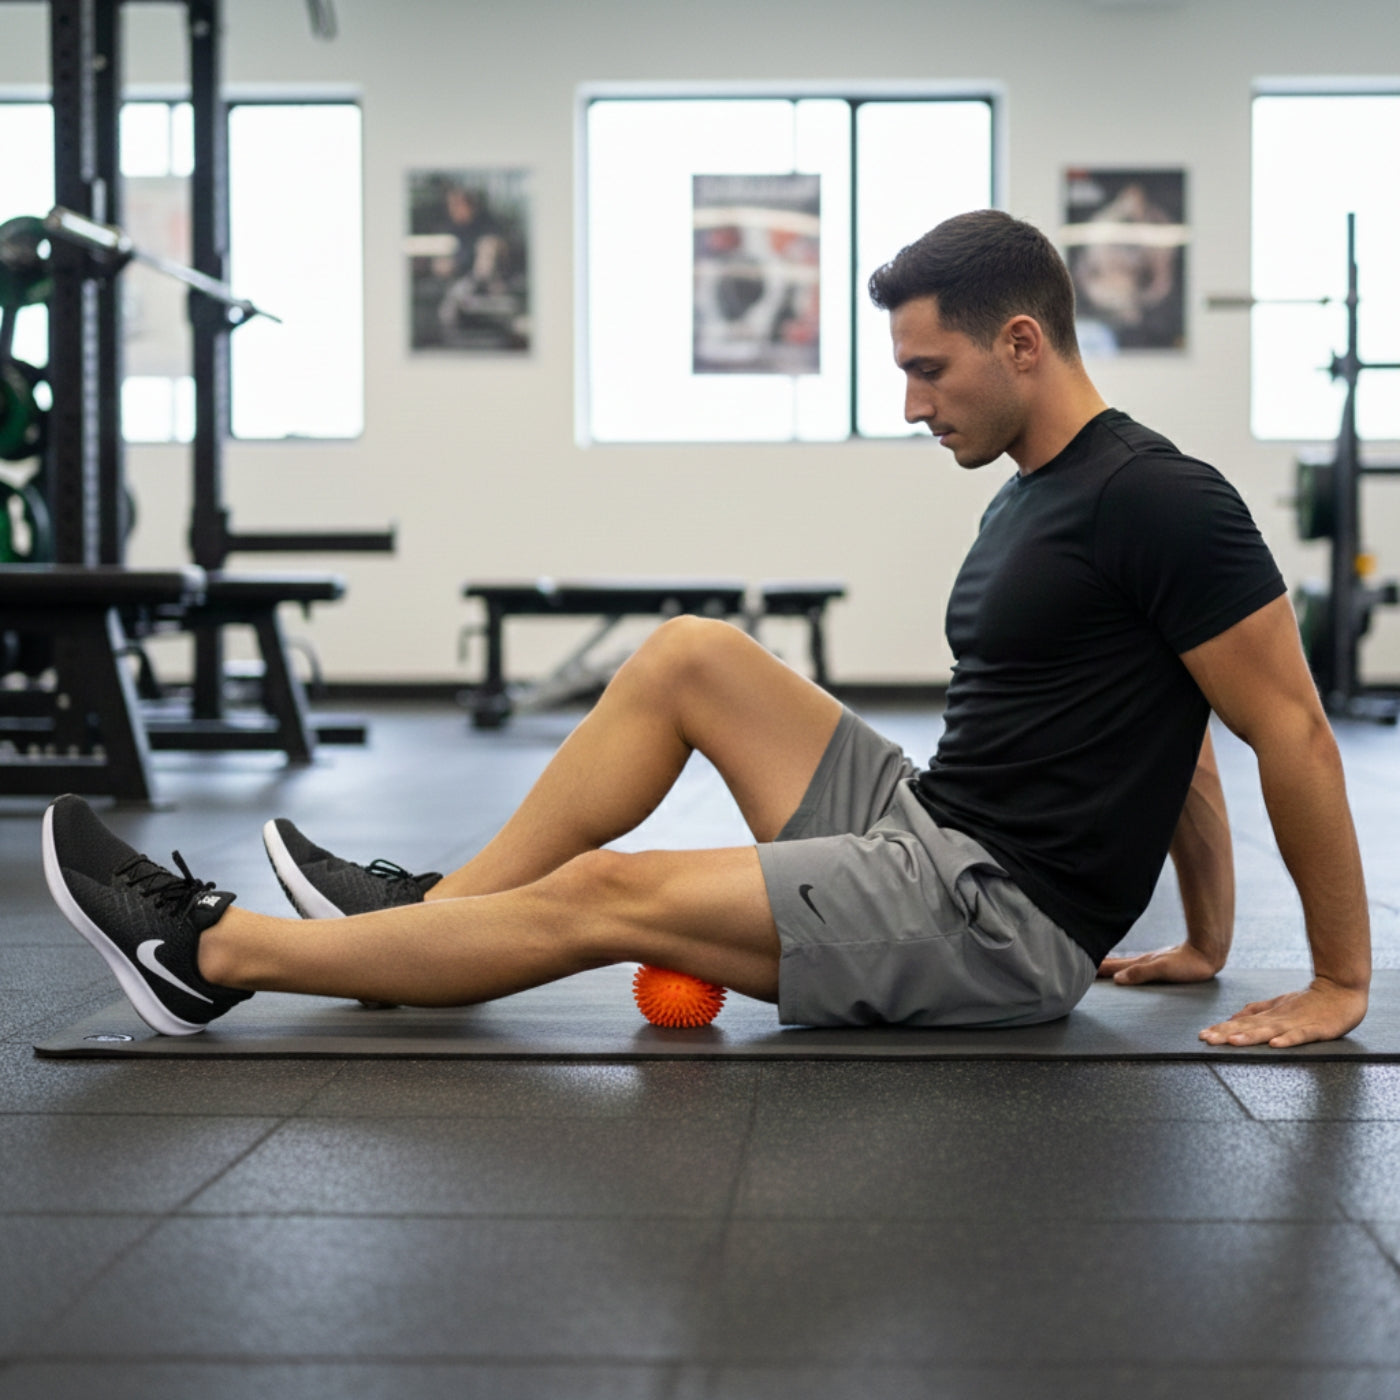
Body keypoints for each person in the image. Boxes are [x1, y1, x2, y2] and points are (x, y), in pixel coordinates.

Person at [42, 210, 1370, 1049]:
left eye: (928, 369)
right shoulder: (1041, 496)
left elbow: (1286, 726)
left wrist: (1335, 981)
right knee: (690, 653)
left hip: (993, 920)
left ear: (1022, 341)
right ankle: (438, 915)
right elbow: (1173, 734)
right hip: (933, 829)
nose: (912, 405)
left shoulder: (1160, 498)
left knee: (612, 897)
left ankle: (207, 955)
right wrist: (1199, 938)